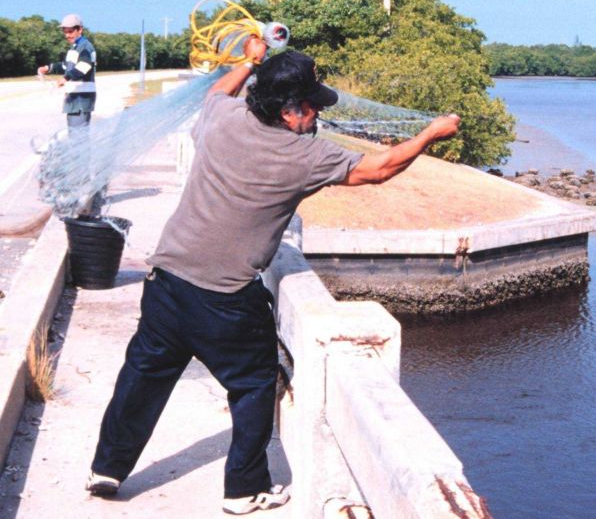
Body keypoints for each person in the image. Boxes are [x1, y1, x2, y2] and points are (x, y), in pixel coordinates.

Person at [85, 36, 459, 515]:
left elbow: (215, 93)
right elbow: (380, 169)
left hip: (165, 284)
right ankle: (244, 490)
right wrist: (431, 133)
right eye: (310, 107)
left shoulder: (221, 119)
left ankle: (107, 468)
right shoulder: (306, 157)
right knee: (255, 384)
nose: (316, 116)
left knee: (143, 377)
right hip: (224, 299)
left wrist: (246, 61)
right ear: (288, 112)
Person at [37, 13, 97, 134]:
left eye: (70, 32)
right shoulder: (74, 48)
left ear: (80, 29)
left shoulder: (85, 47)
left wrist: (66, 78)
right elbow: (66, 66)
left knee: (78, 139)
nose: (67, 35)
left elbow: (84, 66)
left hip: (81, 99)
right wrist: (48, 68)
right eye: (65, 32)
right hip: (74, 98)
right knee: (75, 137)